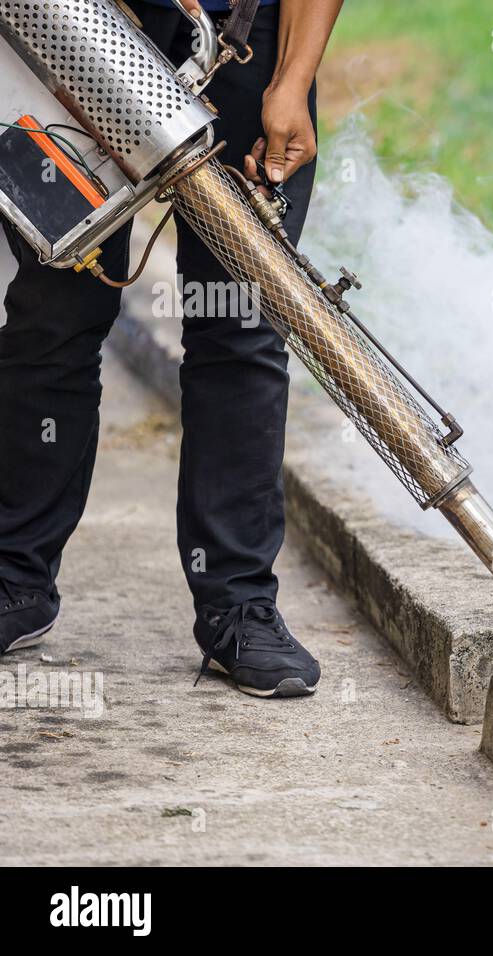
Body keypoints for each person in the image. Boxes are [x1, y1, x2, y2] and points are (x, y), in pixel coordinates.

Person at [0, 0, 344, 698]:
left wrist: (292, 80)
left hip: (247, 42)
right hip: (80, 29)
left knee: (240, 323)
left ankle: (238, 608)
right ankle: (15, 582)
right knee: (52, 314)